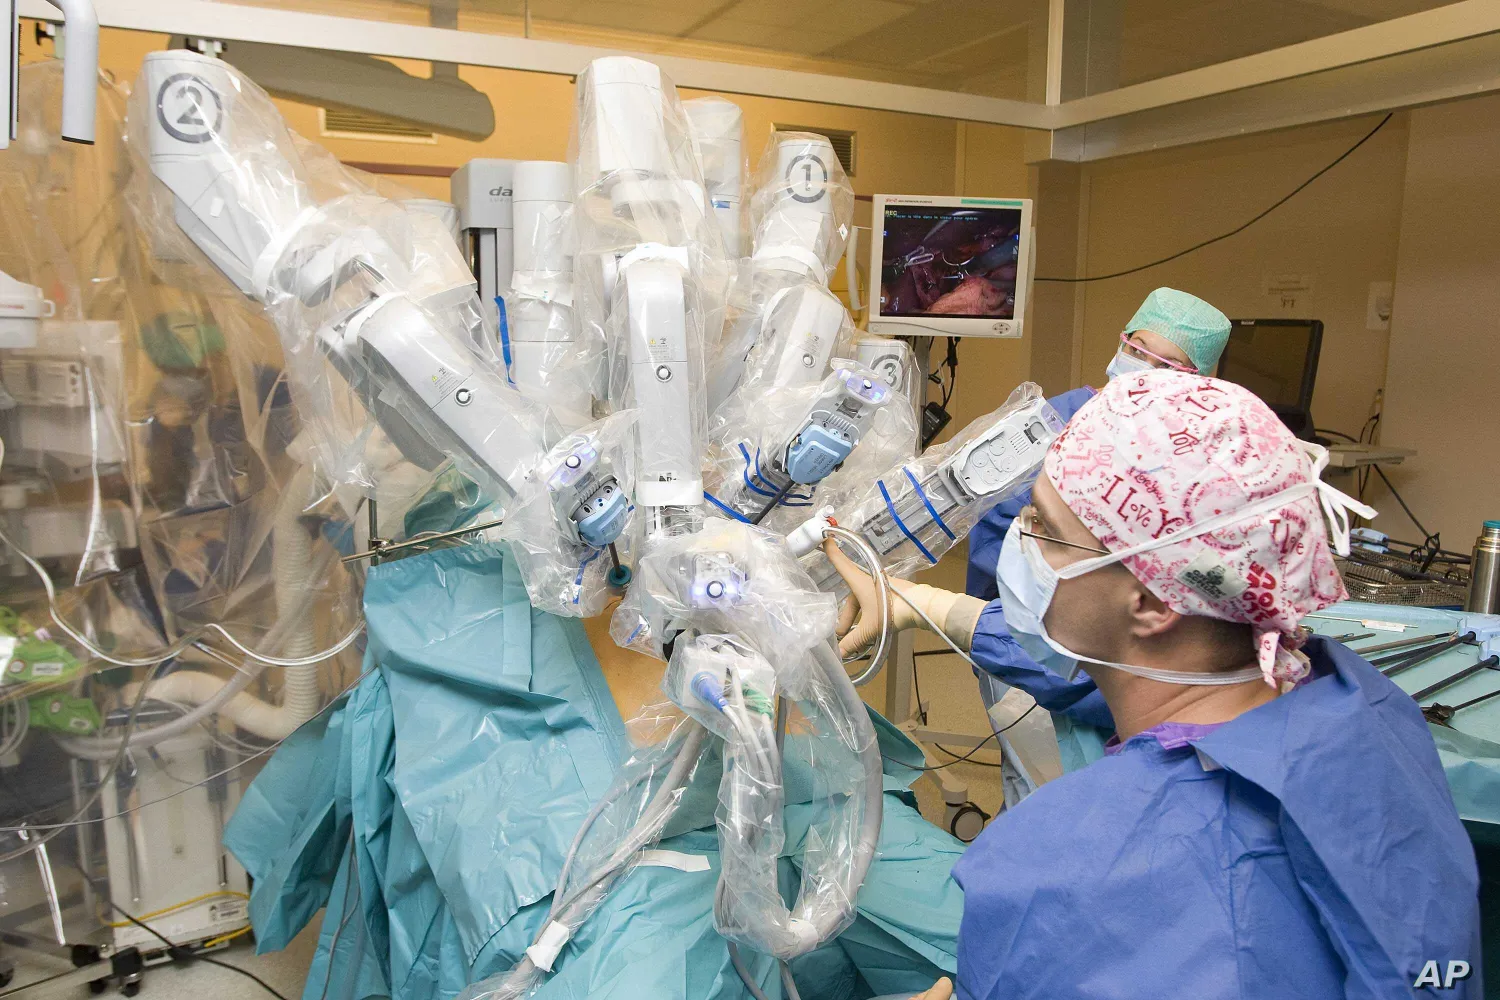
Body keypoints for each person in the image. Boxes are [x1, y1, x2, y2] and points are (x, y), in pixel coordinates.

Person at [827, 370, 1481, 999]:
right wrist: (923, 603)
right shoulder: (1365, 708)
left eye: (1045, 529)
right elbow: (1111, 681)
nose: (1019, 544)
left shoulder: (1056, 866)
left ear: (1152, 601)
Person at [960, 286, 1233, 730]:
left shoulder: (1191, 454)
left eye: (1166, 366)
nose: (1143, 369)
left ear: (1196, 382)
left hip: (1134, 658)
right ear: (1121, 340)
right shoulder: (1055, 421)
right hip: (1027, 636)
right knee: (1036, 775)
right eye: (1137, 348)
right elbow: (993, 535)